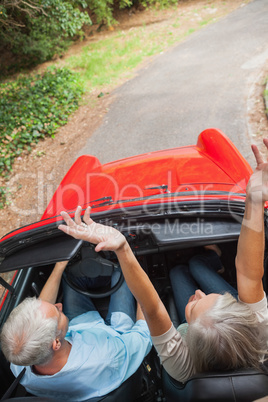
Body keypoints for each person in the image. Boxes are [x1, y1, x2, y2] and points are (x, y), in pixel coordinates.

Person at [57, 139, 268, 384]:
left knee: (180, 272)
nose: (198, 292)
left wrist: (124, 247)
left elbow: (154, 308)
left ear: (190, 340)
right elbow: (249, 274)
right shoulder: (261, 330)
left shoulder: (183, 366)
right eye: (217, 297)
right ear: (243, 317)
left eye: (192, 307)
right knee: (179, 273)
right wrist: (253, 200)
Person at [0, 259, 152, 400]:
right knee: (125, 272)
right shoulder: (108, 357)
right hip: (115, 334)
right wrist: (143, 290)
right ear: (56, 343)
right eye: (58, 313)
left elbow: (43, 307)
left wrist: (60, 266)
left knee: (70, 275)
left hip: (80, 325)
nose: (59, 306)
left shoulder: (20, 361)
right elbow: (144, 334)